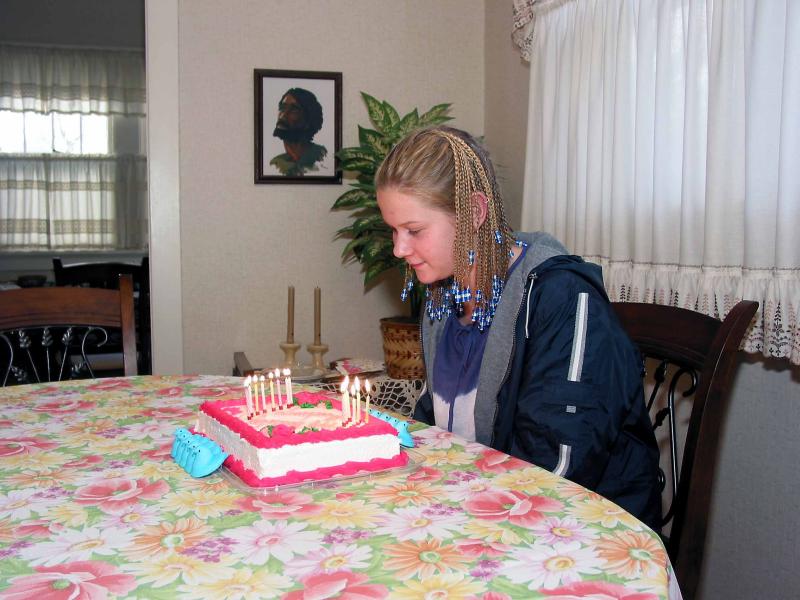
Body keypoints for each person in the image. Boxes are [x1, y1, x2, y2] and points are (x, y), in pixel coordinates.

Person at [375, 126, 662, 530]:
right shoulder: (442, 292)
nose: (399, 249)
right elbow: (435, 422)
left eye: (414, 230)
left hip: (578, 531)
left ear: (474, 212)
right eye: (393, 230)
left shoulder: (561, 298)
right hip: (478, 508)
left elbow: (559, 470)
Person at [270, 87, 328, 176]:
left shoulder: (322, 158)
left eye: (294, 110)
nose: (283, 116)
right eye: (282, 108)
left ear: (309, 120)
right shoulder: (277, 163)